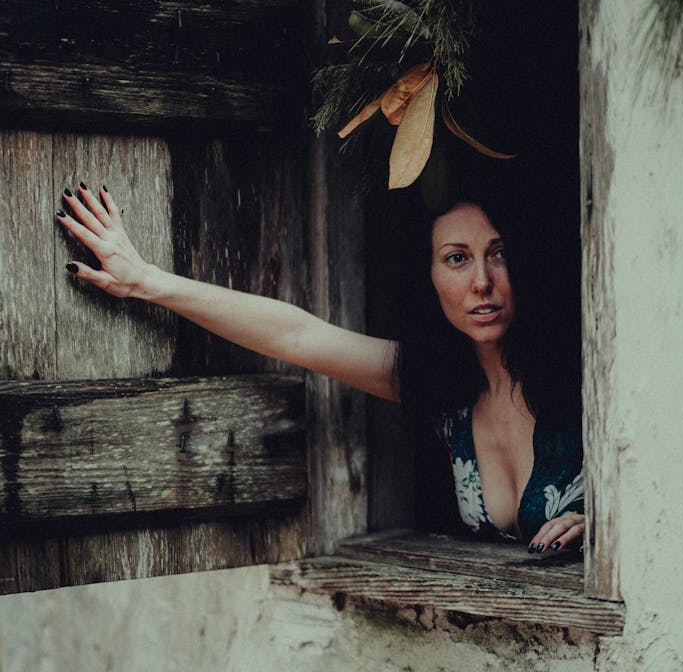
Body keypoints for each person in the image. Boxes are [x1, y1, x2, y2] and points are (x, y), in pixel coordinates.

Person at [55, 180, 584, 554]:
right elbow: (298, 336)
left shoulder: (588, 378)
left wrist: (606, 528)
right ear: (429, 278)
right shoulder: (440, 390)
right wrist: (145, 281)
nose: (482, 282)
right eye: (457, 258)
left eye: (499, 253)